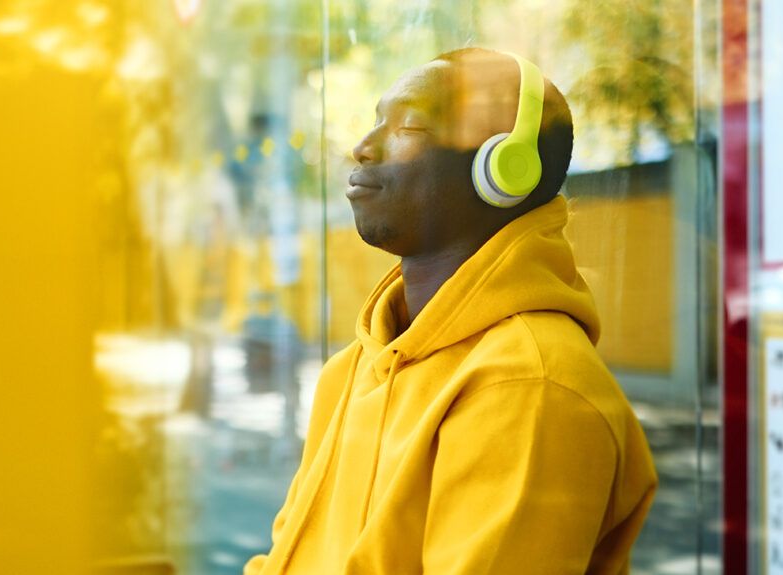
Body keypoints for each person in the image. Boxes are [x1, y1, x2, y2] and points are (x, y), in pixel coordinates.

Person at [243, 47, 657, 574]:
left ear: (503, 170)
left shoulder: (531, 386)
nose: (363, 149)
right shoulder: (349, 372)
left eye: (408, 129)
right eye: (375, 122)